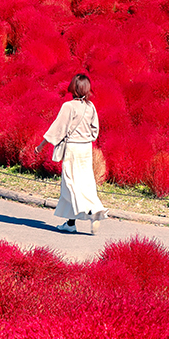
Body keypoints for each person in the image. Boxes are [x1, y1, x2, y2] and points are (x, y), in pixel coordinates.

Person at [43, 73, 105, 234]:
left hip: (73, 149)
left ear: (74, 88)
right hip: (86, 149)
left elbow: (58, 128)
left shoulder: (68, 106)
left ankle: (92, 212)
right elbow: (95, 130)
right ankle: (71, 223)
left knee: (70, 184)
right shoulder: (90, 107)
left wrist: (42, 144)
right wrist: (86, 138)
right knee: (86, 181)